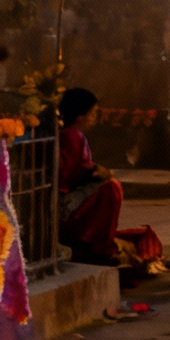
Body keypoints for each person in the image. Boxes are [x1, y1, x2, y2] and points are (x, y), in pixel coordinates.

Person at [57, 88, 130, 266]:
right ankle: (99, 247)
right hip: (66, 207)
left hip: (68, 197)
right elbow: (74, 171)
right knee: (112, 187)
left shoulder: (69, 134)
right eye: (93, 113)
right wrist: (97, 171)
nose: (94, 117)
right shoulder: (72, 135)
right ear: (81, 116)